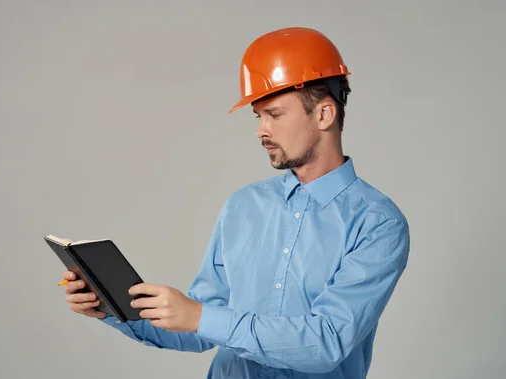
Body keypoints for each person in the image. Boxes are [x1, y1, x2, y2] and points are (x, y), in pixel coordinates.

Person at [61, 27, 410, 378]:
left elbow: (325, 343)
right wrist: (111, 306)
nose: (261, 130)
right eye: (258, 116)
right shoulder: (244, 206)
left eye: (274, 114)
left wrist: (199, 316)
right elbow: (197, 331)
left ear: (323, 115)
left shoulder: (377, 222)